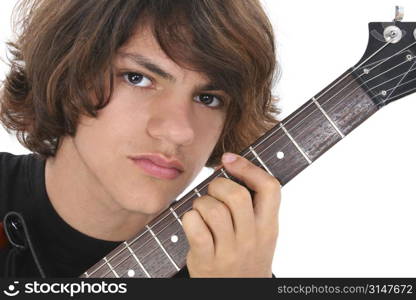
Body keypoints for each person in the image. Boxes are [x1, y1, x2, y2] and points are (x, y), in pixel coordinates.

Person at [0, 0, 281, 277]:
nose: (179, 131)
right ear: (66, 77)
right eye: (138, 78)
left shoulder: (232, 274)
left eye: (208, 99)